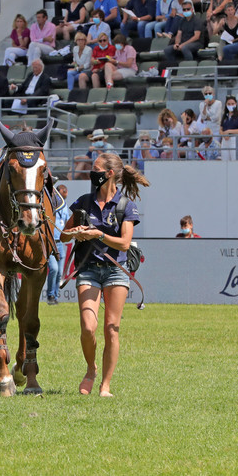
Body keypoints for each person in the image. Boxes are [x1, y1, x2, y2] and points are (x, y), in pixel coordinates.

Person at [60, 152, 150, 397]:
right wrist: (76, 231)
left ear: (109, 174)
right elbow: (62, 236)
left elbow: (124, 243)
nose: (92, 172)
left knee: (112, 327)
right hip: (88, 268)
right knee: (88, 328)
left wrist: (97, 234)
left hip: (115, 270)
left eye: (96, 168)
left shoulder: (126, 206)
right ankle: (91, 370)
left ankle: (106, 385)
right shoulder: (83, 201)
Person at [46, 184, 70, 305]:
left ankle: (55, 296)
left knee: (60, 272)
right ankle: (50, 295)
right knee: (54, 269)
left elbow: (67, 222)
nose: (65, 192)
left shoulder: (65, 207)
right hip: (51, 242)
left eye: (66, 191)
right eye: (62, 190)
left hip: (60, 243)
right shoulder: (51, 205)